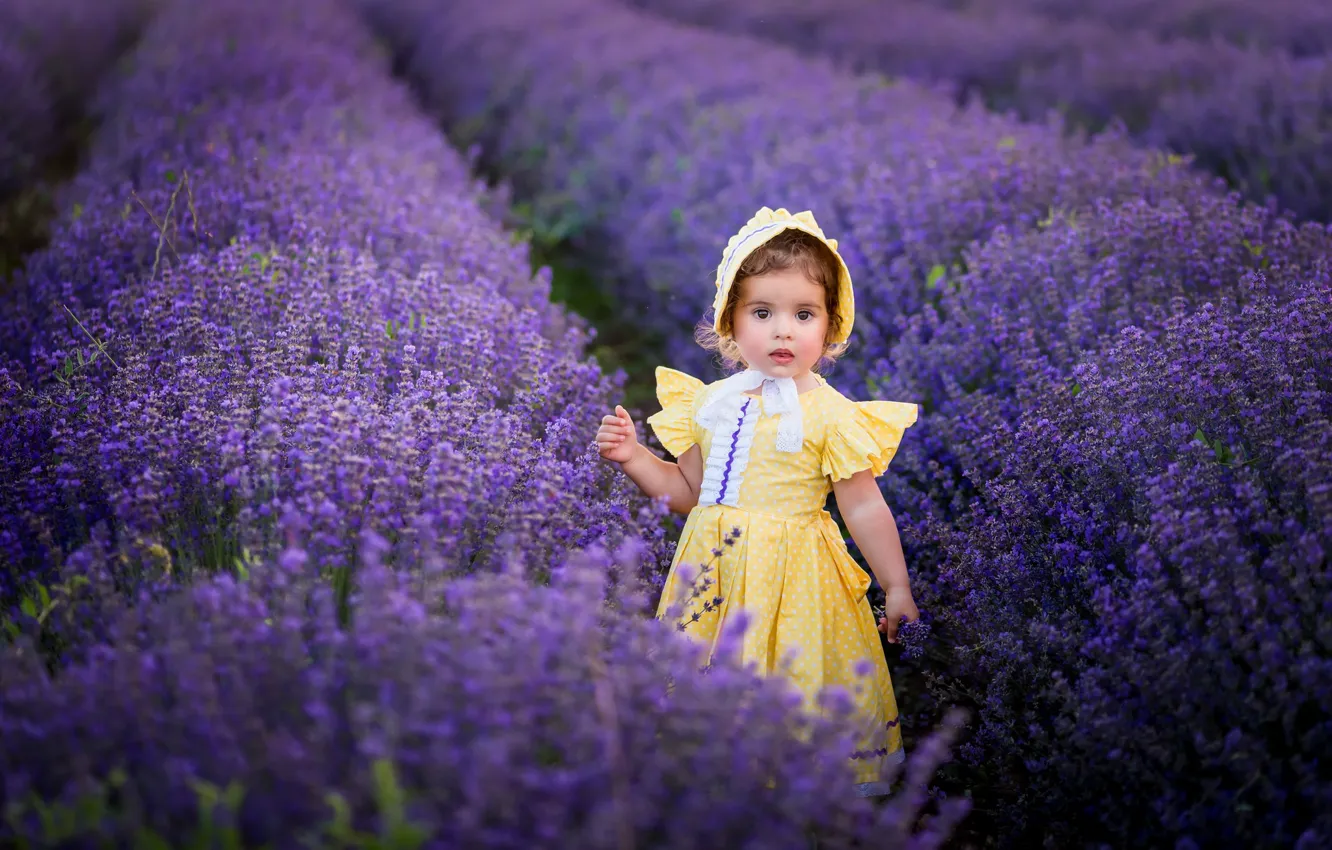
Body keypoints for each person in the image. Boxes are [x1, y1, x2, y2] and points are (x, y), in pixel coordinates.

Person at [596, 206, 921, 796]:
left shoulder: (832, 416)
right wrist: (635, 458)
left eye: (804, 314)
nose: (782, 331)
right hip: (714, 577)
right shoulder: (710, 405)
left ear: (830, 326)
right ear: (731, 321)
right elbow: (688, 493)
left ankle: (792, 800)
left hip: (798, 585)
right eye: (762, 313)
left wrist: (894, 585)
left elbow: (863, 507)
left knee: (794, 684)